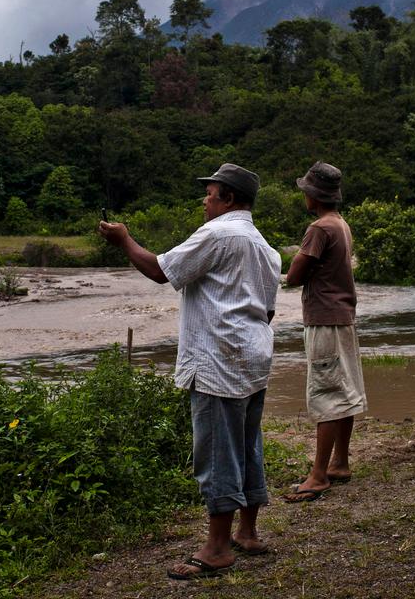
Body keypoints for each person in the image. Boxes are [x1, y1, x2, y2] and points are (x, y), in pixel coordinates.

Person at [97, 163, 281, 580]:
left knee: (217, 450)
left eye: (211, 193)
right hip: (253, 354)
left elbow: (162, 270)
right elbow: (267, 310)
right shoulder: (265, 247)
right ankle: (247, 532)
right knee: (247, 443)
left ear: (229, 199)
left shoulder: (218, 234)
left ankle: (217, 548)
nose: (205, 199)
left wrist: (124, 239)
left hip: (219, 357)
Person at [282, 162, 366, 502]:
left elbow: (294, 276)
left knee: (327, 392)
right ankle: (340, 462)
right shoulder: (340, 224)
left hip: (323, 318)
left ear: (312, 195)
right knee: (344, 389)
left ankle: (318, 475)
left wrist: (291, 269)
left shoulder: (318, 228)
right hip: (343, 315)